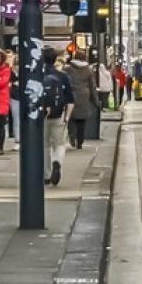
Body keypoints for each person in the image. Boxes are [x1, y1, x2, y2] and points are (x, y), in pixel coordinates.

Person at [37, 48, 74, 187]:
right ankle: (57, 162)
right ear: (55, 59)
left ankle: (46, 175)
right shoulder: (62, 76)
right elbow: (70, 99)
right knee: (59, 144)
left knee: (44, 145)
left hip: (42, 115)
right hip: (58, 115)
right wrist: (67, 117)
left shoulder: (38, 75)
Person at [65, 51, 98, 150]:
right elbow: (92, 87)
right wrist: (95, 101)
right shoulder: (88, 70)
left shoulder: (68, 69)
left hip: (71, 96)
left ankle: (72, 138)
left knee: (71, 119)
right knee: (81, 122)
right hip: (84, 97)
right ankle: (80, 142)